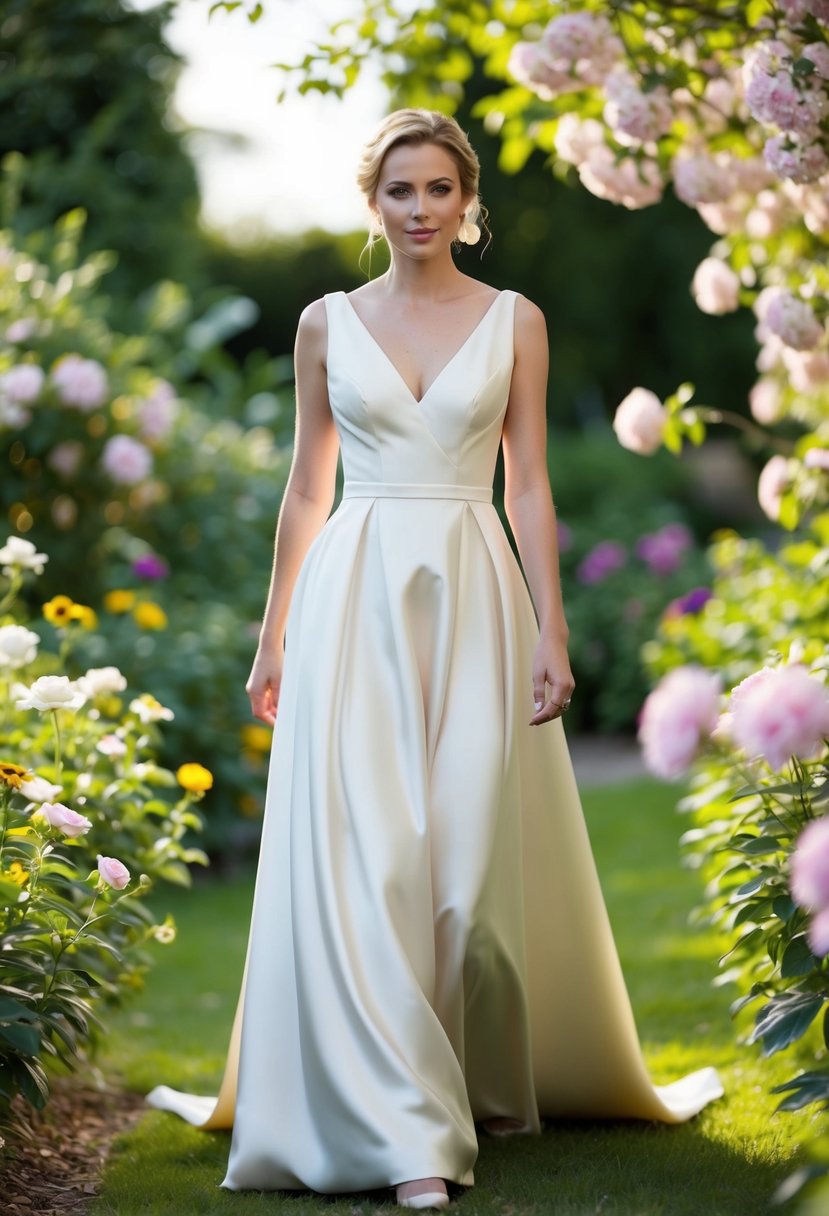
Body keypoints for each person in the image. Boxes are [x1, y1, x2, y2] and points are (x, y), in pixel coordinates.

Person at [146, 108, 723, 1210]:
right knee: (378, 864)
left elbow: (530, 485)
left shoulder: (518, 322)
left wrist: (552, 628)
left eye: (438, 190)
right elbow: (308, 487)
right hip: (351, 601)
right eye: (400, 190)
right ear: (373, 203)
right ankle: (412, 1133)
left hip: (475, 597)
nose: (419, 209)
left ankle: (464, 1074)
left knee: (459, 882)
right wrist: (273, 631)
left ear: (469, 203)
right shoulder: (324, 323)